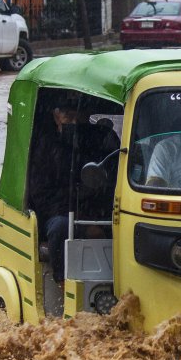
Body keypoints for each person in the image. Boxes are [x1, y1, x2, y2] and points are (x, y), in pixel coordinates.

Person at [30, 106, 118, 283]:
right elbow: (42, 196)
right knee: (61, 228)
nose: (74, 122)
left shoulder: (101, 140)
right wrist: (84, 224)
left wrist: (95, 217)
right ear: (56, 117)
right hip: (59, 213)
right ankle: (63, 282)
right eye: (68, 116)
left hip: (98, 210)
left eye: (79, 117)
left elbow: (112, 183)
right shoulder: (45, 147)